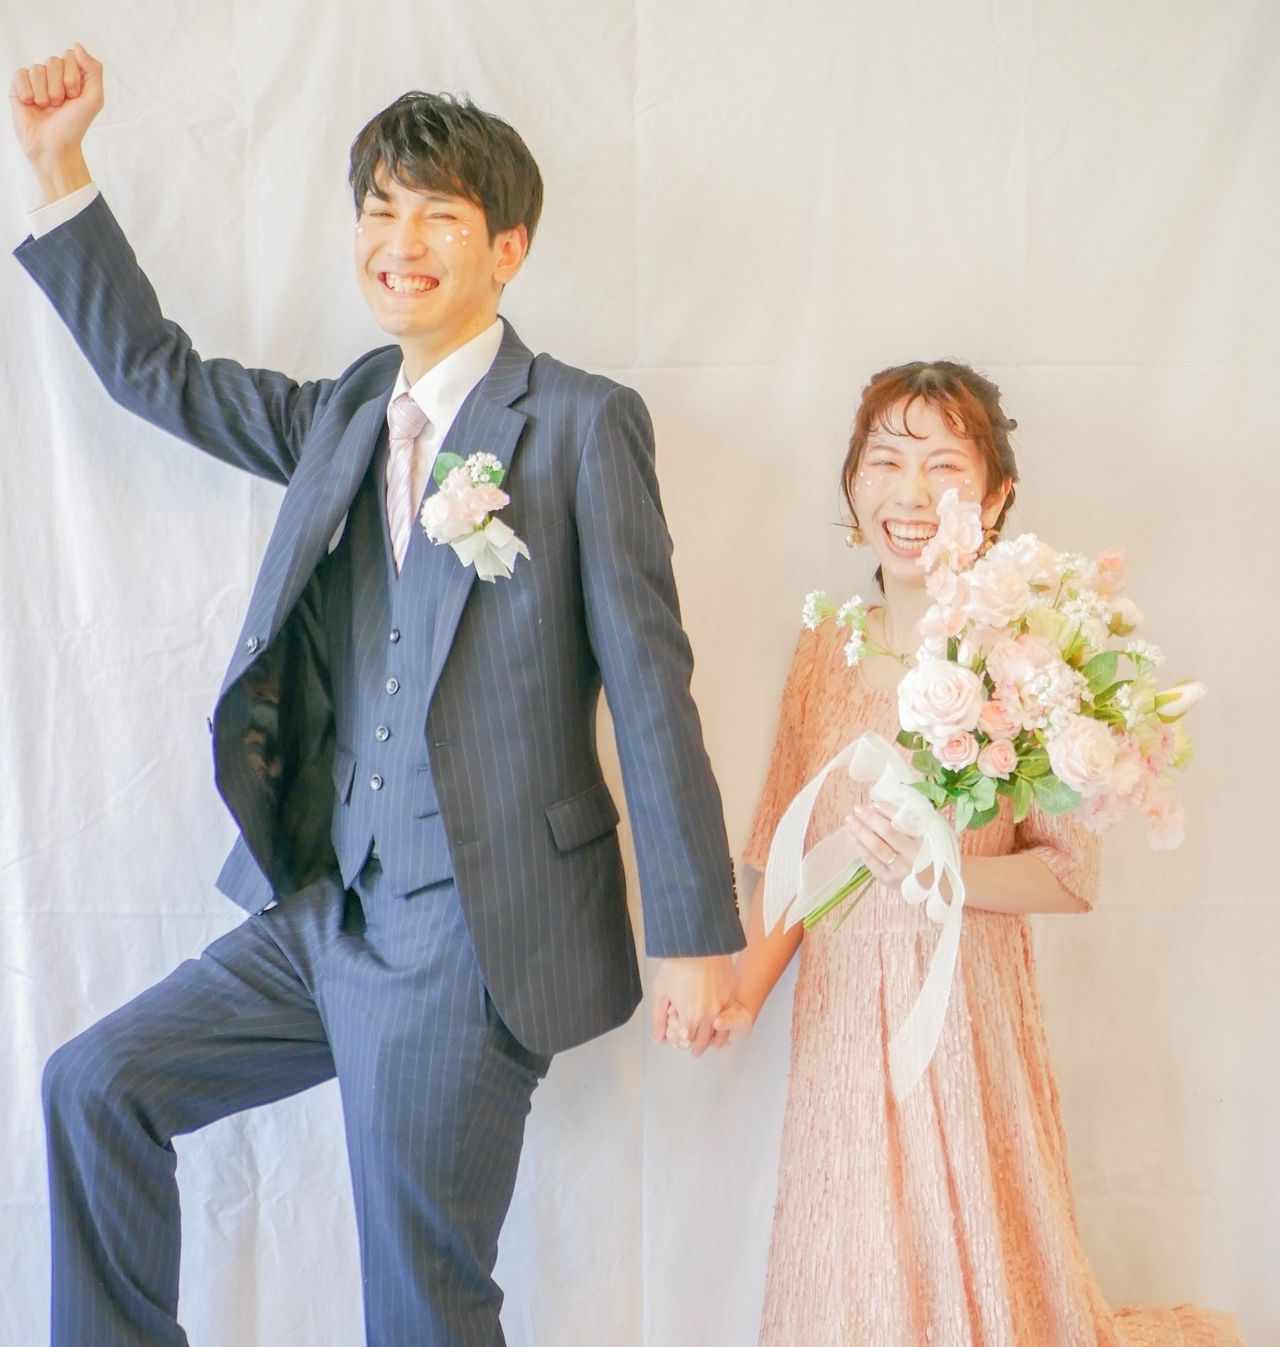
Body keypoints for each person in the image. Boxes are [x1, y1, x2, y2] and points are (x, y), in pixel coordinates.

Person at [10, 44, 742, 1347]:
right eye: (379, 209)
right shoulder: (346, 412)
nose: (400, 241)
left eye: (438, 214)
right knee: (96, 1084)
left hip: (469, 935)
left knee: (417, 1299)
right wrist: (60, 165)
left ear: (506, 248)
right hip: (323, 911)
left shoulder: (580, 422)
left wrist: (692, 929)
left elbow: (650, 682)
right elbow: (156, 375)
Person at [681, 362, 1243, 1346]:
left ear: (992, 498)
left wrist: (940, 866)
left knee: (971, 1252)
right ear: (853, 483)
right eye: (886, 460)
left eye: (943, 466)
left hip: (966, 1018)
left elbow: (1068, 876)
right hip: (842, 1026)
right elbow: (791, 856)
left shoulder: (1025, 653)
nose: (910, 493)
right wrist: (740, 995)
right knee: (859, 1252)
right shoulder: (824, 648)